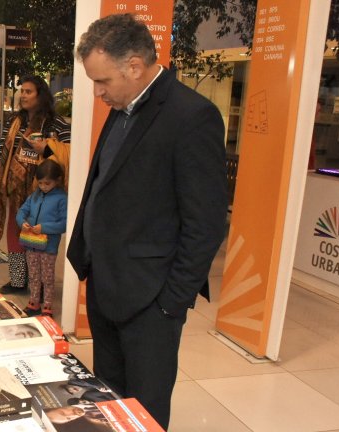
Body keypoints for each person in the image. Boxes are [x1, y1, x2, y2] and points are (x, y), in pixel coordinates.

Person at [67, 14, 227, 429]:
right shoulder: (122, 107)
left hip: (151, 301)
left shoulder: (192, 116)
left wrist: (170, 303)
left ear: (134, 66)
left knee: (145, 412)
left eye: (103, 82)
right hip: (106, 285)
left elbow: (206, 223)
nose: (98, 92)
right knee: (110, 402)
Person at [0, 75, 71, 295]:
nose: (23, 95)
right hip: (15, 192)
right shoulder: (14, 121)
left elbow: (68, 154)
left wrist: (45, 149)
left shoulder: (57, 123)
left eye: (28, 92)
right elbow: (2, 152)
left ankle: (40, 285)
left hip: (43, 193)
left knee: (40, 238)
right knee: (15, 235)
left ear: (40, 95)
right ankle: (18, 280)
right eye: (22, 91)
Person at [16, 159, 67, 317]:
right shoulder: (34, 196)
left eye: (47, 183)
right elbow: (21, 212)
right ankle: (33, 302)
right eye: (41, 183)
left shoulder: (62, 199)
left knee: (47, 277)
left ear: (57, 180)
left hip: (48, 247)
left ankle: (48, 306)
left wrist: (44, 228)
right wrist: (22, 222)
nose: (43, 187)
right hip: (31, 244)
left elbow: (65, 223)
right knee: (33, 275)